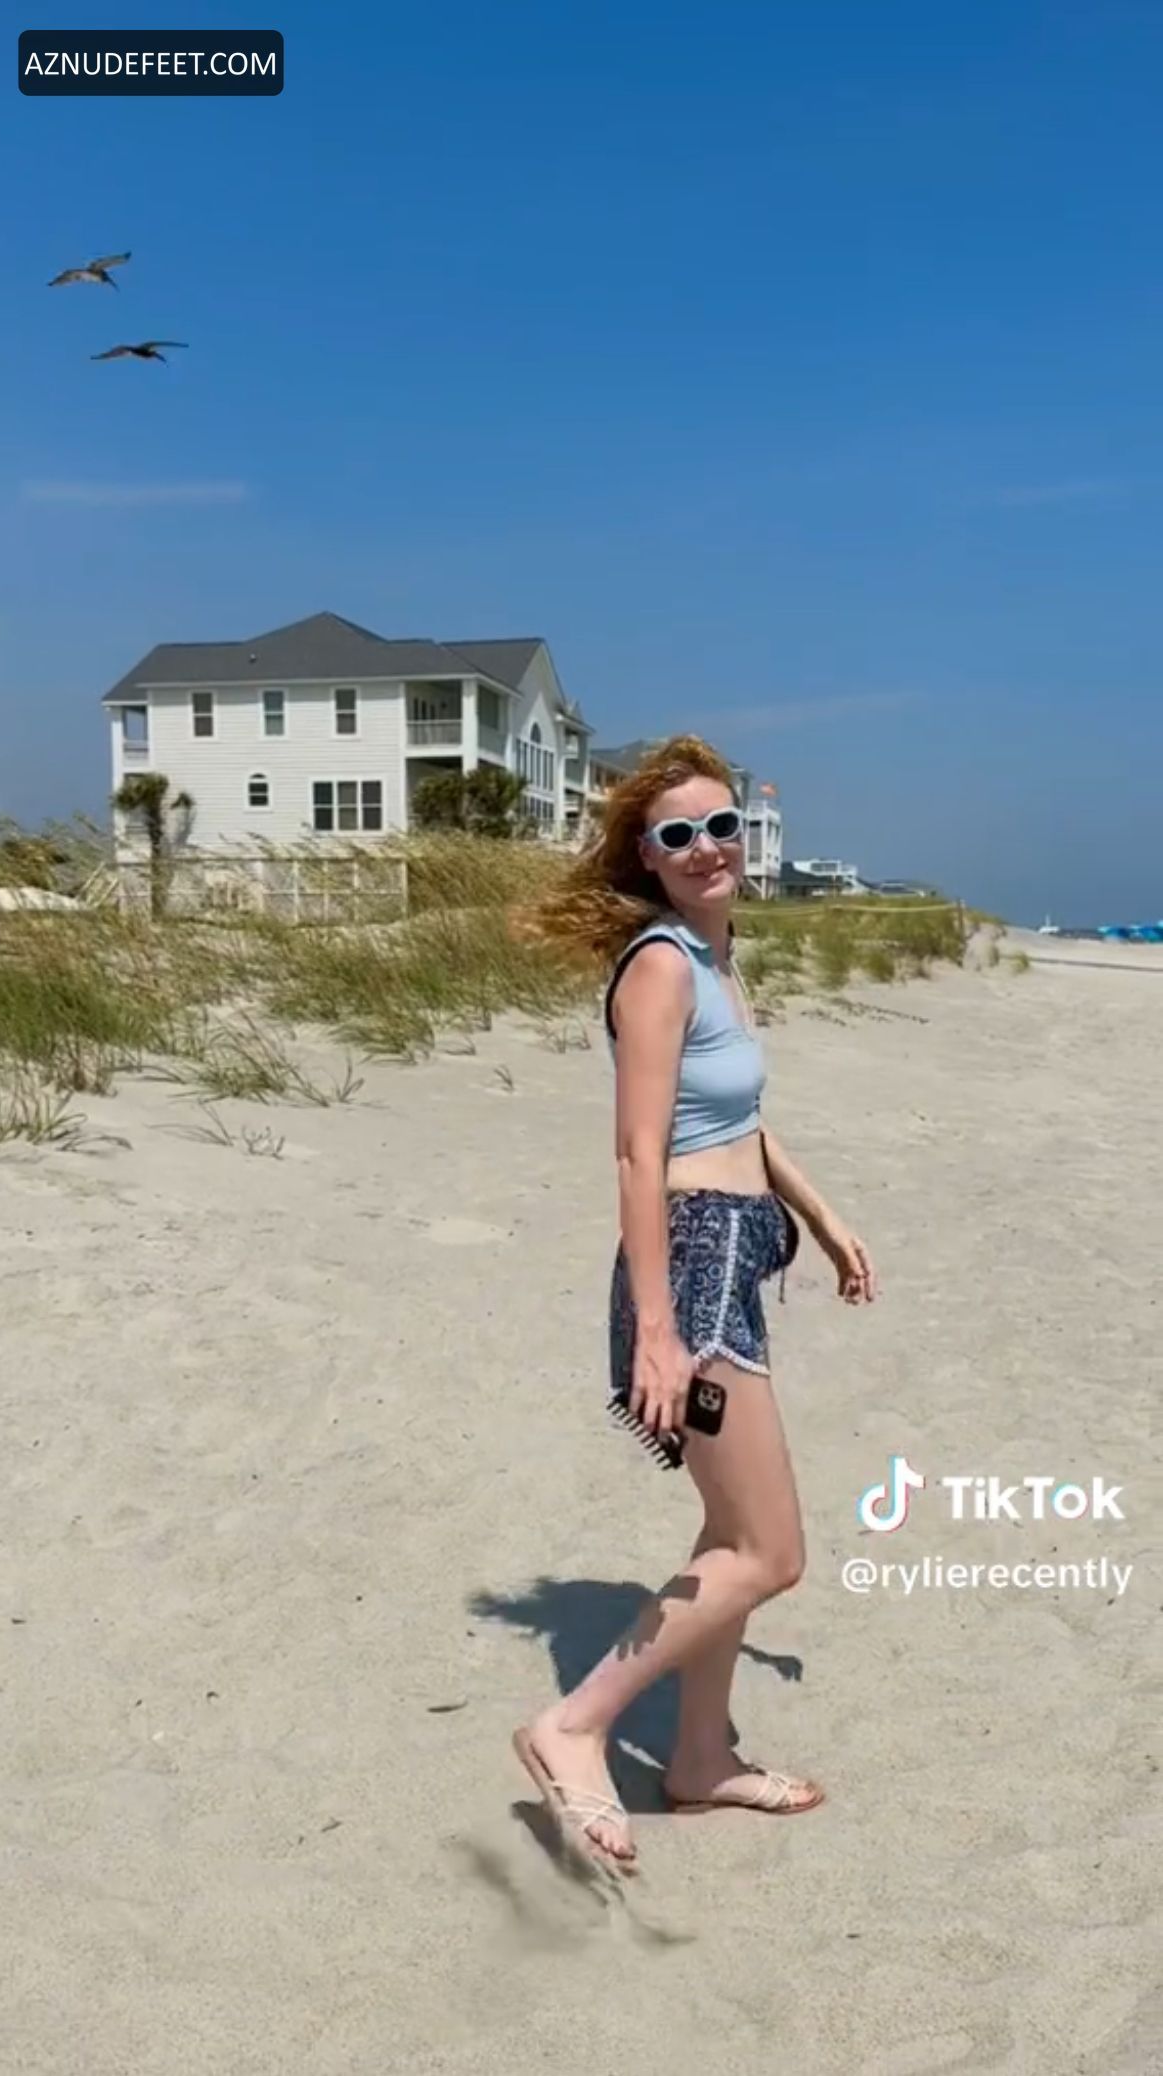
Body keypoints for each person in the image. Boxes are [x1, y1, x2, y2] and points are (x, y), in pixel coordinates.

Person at [513, 736, 876, 1874]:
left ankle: (701, 1759)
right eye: (680, 835)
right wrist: (660, 1334)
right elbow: (639, 1155)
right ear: (648, 857)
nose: (708, 847)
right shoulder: (661, 967)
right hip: (694, 1265)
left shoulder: (718, 955)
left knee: (730, 1536)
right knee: (770, 1552)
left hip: (736, 1249)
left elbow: (740, 1124)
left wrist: (821, 1217)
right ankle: (573, 1727)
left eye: (723, 825)